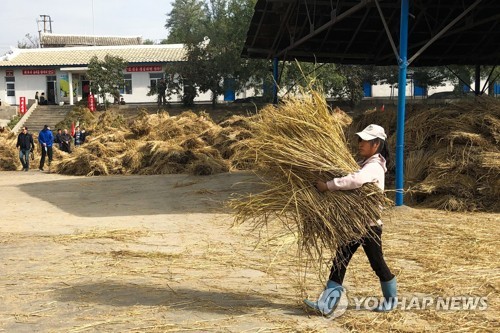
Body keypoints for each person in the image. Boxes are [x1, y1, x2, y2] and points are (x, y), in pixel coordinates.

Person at [304, 124, 397, 316]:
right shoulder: (365, 163)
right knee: (340, 260)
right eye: (360, 139)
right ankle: (327, 304)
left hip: (369, 226)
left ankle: (391, 300)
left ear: (376, 144)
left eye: (364, 141)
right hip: (355, 225)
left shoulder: (373, 166)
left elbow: (355, 180)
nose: (360, 143)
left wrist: (328, 185)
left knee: (377, 263)